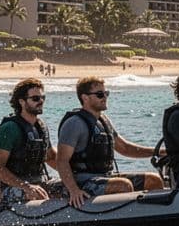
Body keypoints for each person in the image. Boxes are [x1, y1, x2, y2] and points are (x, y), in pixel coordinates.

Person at [56, 76, 164, 208]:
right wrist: (73, 190)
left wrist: (161, 152)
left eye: (106, 93)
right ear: (85, 98)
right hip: (83, 180)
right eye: (100, 94)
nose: (105, 97)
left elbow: (125, 148)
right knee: (123, 185)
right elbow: (61, 160)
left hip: (104, 176)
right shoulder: (74, 124)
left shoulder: (103, 121)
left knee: (154, 180)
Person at [0, 77, 65, 203]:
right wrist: (25, 186)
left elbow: (51, 158)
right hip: (14, 186)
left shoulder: (41, 127)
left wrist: (73, 176)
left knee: (73, 186)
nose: (41, 101)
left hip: (39, 182)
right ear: (22, 102)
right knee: (35, 194)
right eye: (36, 98)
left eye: (43, 98)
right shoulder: (9, 129)